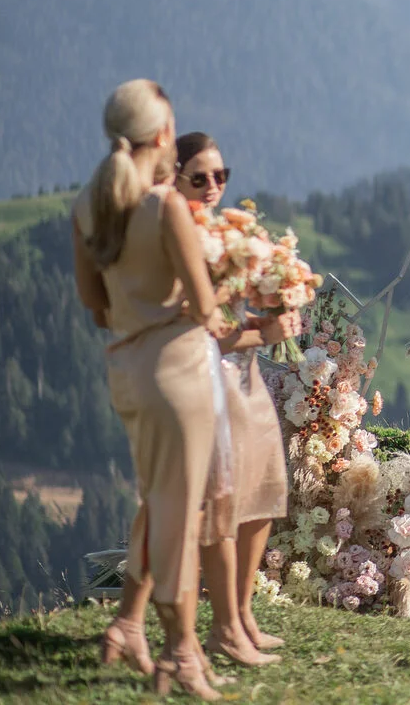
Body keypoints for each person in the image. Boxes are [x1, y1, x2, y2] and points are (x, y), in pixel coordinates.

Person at [71, 80, 226, 699]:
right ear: (163, 137)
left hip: (125, 370)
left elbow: (96, 306)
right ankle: (181, 653)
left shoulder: (87, 206)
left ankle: (129, 630)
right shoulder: (164, 208)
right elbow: (207, 306)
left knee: (159, 501)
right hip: (177, 373)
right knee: (178, 517)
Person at [176, 133, 296, 667]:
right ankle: (225, 627)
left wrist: (277, 298)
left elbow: (234, 315)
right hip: (205, 378)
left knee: (263, 492)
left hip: (244, 377)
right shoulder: (178, 237)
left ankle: (244, 614)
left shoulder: (227, 233)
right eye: (199, 177)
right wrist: (263, 334)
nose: (212, 187)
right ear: (173, 179)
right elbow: (197, 328)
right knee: (221, 504)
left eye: (220, 176)